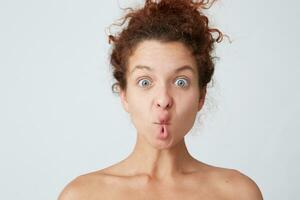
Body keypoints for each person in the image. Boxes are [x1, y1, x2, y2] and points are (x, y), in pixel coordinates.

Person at [58, 0, 263, 199]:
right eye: (145, 82)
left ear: (201, 96)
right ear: (124, 95)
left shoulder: (238, 193)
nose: (163, 100)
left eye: (181, 82)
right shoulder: (83, 195)